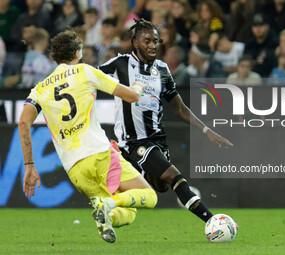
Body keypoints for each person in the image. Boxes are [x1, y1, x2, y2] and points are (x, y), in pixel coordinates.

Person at [18, 29, 157, 243]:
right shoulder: (84, 71)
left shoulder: (39, 89)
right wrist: (139, 84)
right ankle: (108, 206)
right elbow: (132, 96)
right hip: (99, 154)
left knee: (127, 210)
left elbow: (23, 122)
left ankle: (107, 214)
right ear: (77, 53)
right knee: (149, 196)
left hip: (74, 169)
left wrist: (29, 165)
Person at [99, 19, 233, 224]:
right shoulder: (120, 64)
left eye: (155, 41)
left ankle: (110, 207)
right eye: (147, 41)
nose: (152, 45)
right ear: (135, 43)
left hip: (157, 139)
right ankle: (212, 221)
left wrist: (207, 130)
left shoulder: (161, 69)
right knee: (174, 176)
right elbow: (89, 77)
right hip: (135, 142)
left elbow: (179, 108)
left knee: (160, 187)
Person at [244, 13, 278, 77]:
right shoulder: (249, 44)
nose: (258, 28)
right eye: (255, 25)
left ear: (268, 26)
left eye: (261, 25)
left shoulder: (275, 43)